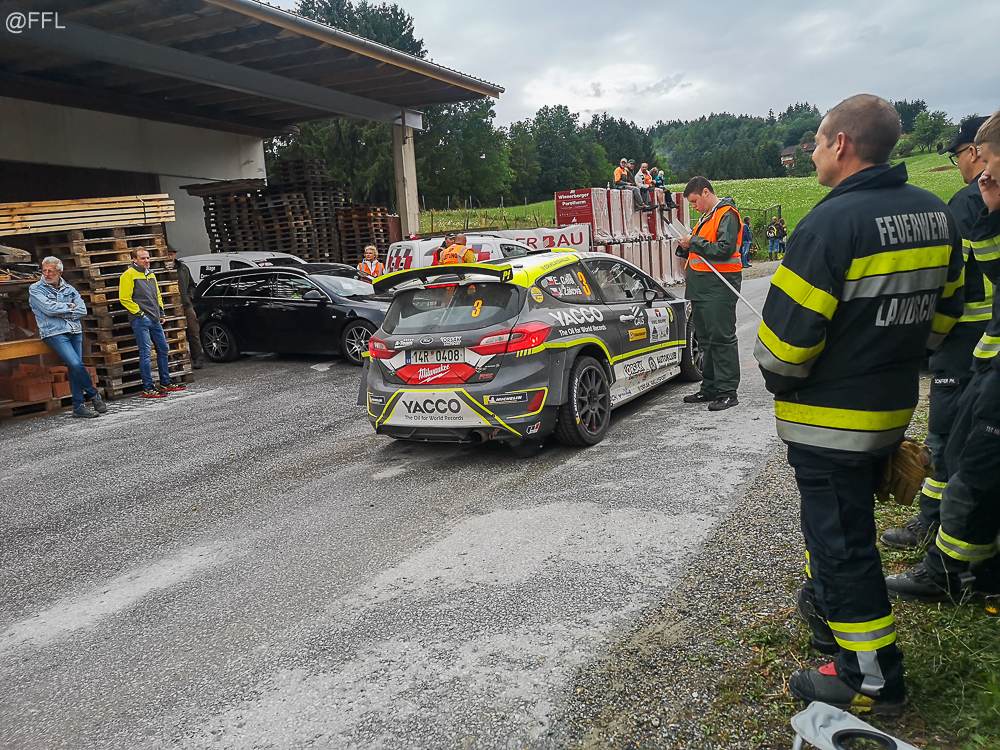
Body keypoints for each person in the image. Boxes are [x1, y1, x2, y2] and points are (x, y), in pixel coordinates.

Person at [754, 94, 964, 714]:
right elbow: (948, 313)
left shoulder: (828, 225)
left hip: (829, 422)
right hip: (891, 408)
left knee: (842, 544)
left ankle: (871, 679)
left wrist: (790, 384)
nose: (813, 155)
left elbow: (782, 351)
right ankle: (827, 613)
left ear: (841, 144)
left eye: (818, 143)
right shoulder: (935, 214)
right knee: (842, 533)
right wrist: (892, 359)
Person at [885, 110, 1000, 602]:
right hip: (981, 344)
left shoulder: (969, 200)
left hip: (964, 342)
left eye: (965, 157)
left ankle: (943, 558)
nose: (972, 169)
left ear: (974, 153)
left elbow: (951, 278)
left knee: (955, 447)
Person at [675, 175, 744, 411]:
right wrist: (686, 246)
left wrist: (693, 242)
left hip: (719, 287)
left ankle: (727, 392)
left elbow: (724, 249)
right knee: (705, 340)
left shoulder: (726, 214)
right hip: (701, 288)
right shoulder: (706, 217)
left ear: (706, 192)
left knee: (721, 339)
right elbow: (703, 251)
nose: (694, 207)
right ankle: (710, 387)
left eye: (695, 201)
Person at [28, 257, 108, 418]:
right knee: (75, 364)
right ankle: (93, 394)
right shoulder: (36, 289)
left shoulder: (70, 289)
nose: (46, 274)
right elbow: (49, 309)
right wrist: (70, 306)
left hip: (74, 331)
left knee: (74, 368)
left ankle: (79, 407)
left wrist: (62, 312)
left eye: (50, 271)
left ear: (60, 273)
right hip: (54, 332)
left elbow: (82, 310)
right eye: (44, 270)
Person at [119, 248, 185, 399]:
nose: (146, 261)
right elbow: (124, 298)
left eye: (148, 258)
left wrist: (161, 313)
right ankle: (148, 388)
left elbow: (157, 295)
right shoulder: (128, 275)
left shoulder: (151, 274)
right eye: (143, 258)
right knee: (146, 352)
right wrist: (140, 314)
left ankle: (165, 382)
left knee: (163, 348)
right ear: (134, 260)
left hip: (154, 318)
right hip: (141, 320)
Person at [166, 247, 203, 370]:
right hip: (169, 308)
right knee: (173, 334)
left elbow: (192, 285)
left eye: (172, 254)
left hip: (186, 305)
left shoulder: (183, 268)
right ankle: (178, 360)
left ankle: (198, 358)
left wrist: (189, 298)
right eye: (168, 254)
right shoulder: (161, 270)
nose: (170, 257)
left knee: (194, 331)